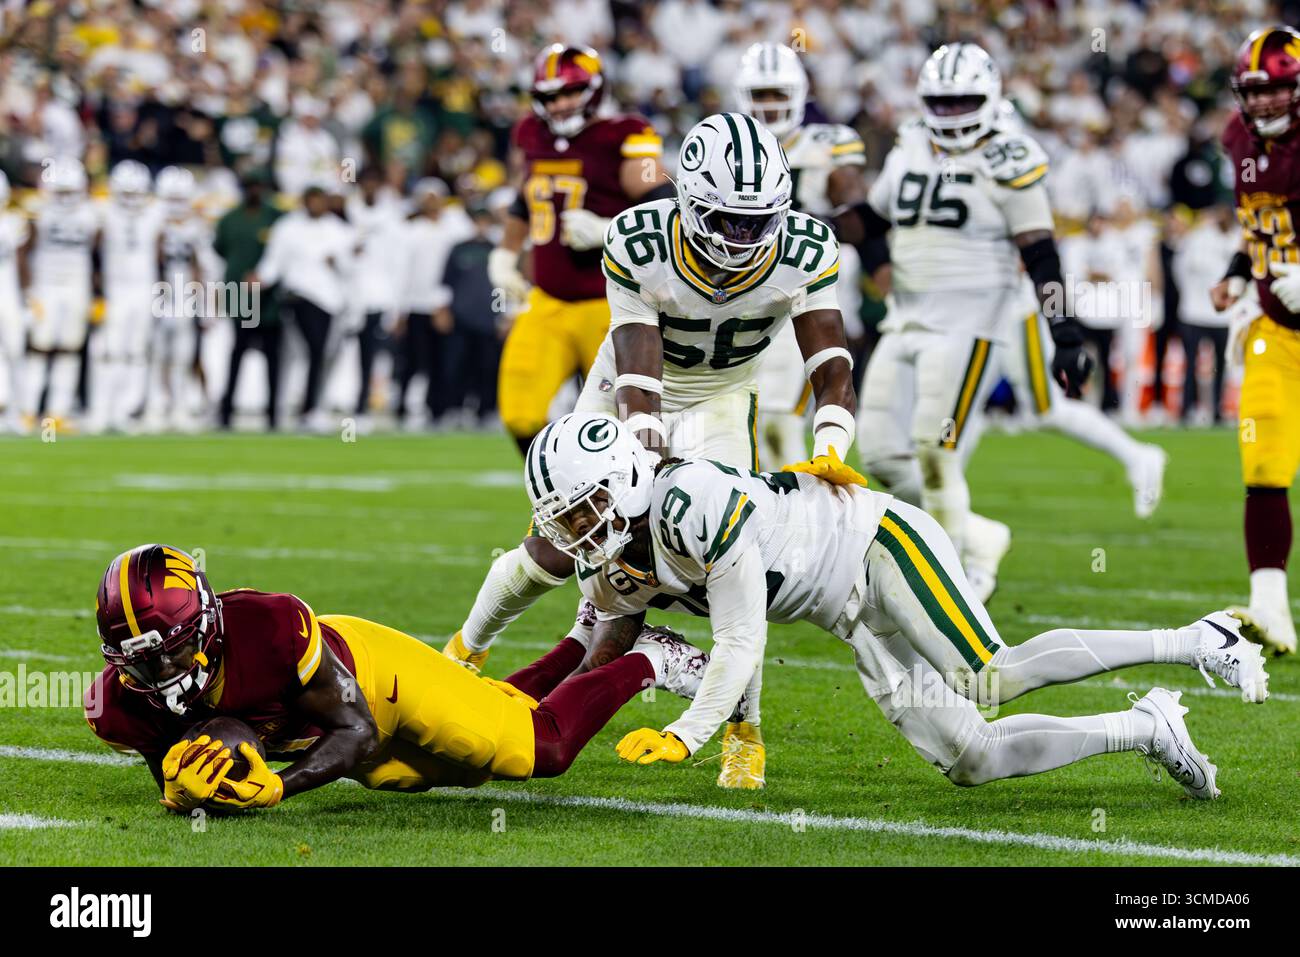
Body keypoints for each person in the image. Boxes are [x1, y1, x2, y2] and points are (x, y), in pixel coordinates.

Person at [528, 412, 1269, 800]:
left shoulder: (690, 502)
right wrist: (523, 722)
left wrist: (694, 732)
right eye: (565, 515)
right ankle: (1144, 726)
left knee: (989, 673)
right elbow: (599, 656)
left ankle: (1196, 638)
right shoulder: (616, 561)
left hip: (876, 544)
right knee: (975, 759)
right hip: (847, 611)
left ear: (625, 477)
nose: (576, 527)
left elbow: (741, 638)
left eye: (586, 504)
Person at [446, 112, 859, 790]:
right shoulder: (640, 242)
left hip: (723, 399)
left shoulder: (806, 248)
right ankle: (466, 650)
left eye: (758, 220)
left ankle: (742, 730)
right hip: (624, 388)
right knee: (562, 536)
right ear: (691, 201)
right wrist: (642, 466)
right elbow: (640, 376)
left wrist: (832, 443)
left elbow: (830, 361)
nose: (745, 236)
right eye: (728, 219)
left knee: (729, 561)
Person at [85, 544, 706, 810]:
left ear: (209, 624)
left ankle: (652, 658)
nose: (159, 672)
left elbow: (353, 730)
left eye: (169, 651)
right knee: (473, 766)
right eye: (138, 659)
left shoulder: (270, 629)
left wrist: (279, 787)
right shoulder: (119, 704)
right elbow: (175, 773)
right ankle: (580, 639)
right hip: (325, 733)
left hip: (373, 681)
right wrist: (186, 797)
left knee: (536, 749)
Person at [854, 43, 1093, 602]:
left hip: (970, 322)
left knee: (936, 450)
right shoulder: (912, 140)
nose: (953, 112)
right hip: (905, 318)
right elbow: (872, 215)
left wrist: (1066, 334)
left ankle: (950, 583)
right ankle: (978, 537)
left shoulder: (1011, 155)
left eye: (964, 101)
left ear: (989, 98)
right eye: (942, 101)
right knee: (883, 455)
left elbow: (1041, 253)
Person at [493, 44, 668, 454]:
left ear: (594, 90)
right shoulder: (530, 135)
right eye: (550, 96)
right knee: (519, 410)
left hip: (610, 303)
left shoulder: (626, 134)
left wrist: (610, 230)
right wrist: (504, 255)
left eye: (569, 93)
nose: (560, 104)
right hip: (548, 300)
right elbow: (525, 200)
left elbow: (667, 213)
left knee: (619, 421)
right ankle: (560, 490)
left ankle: (631, 507)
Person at [733, 42, 879, 470]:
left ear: (798, 93)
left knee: (780, 419)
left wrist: (829, 214)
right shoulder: (727, 143)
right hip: (742, 293)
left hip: (804, 289)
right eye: (761, 94)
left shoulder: (828, 143)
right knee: (748, 419)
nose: (770, 104)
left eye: (778, 93)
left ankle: (802, 516)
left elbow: (854, 217)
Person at [1210, 26, 1300, 656]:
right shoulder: (1238, 140)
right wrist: (1238, 273)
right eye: (1254, 92)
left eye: (1277, 92)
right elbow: (1259, 228)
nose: (1264, 104)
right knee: (1263, 459)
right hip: (1276, 324)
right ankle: (1271, 610)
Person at [249, 185, 356, 432]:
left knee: (320, 353)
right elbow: (273, 261)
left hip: (328, 300)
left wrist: (339, 261)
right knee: (305, 351)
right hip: (297, 297)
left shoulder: (339, 231)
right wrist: (260, 279)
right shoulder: (288, 227)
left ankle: (311, 408)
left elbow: (352, 267)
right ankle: (297, 407)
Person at [19, 156, 100, 432]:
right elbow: (23, 251)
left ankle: (56, 414)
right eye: (61, 191)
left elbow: (96, 254)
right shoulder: (39, 211)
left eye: (70, 191)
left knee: (70, 350)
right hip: (45, 286)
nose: (65, 197)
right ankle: (27, 410)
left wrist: (97, 292)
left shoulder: (91, 214)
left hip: (77, 287)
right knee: (39, 348)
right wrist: (27, 292)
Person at [215, 169, 284, 430]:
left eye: (258, 185)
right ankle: (226, 412)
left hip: (269, 298)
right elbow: (220, 249)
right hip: (240, 294)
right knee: (237, 352)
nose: (254, 191)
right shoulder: (230, 219)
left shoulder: (276, 217)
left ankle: (273, 414)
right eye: (250, 186)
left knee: (272, 356)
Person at [0, 171, 29, 433]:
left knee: (16, 352)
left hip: (8, 295)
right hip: (7, 295)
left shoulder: (13, 221)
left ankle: (16, 412)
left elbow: (21, 263)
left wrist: (28, 298)